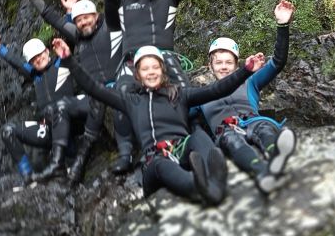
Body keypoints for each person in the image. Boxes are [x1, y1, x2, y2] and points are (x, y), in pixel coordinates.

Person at [56, 0, 222, 172]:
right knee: (121, 97)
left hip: (164, 58)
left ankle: (199, 143)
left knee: (186, 95)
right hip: (132, 61)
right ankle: (124, 154)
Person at [55, 38, 266, 206]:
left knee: (197, 137)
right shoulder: (131, 100)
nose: (151, 72)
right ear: (138, 74)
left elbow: (216, 89)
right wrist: (69, 60)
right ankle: (198, 185)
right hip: (155, 160)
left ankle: (215, 176)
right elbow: (95, 89)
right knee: (160, 164)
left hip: (181, 148)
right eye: (145, 68)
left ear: (162, 70)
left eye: (155, 67)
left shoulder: (179, 95)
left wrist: (245, 70)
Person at [23, 0, 123, 184]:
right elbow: (54, 19)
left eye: (87, 18)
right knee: (61, 106)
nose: (84, 22)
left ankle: (80, 162)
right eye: (79, 20)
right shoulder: (77, 39)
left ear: (96, 16)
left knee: (100, 97)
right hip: (93, 96)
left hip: (118, 89)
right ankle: (58, 164)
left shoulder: (111, 28)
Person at [196, 0, 297, 194]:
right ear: (210, 66)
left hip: (253, 121)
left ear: (236, 64)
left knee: (265, 128)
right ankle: (261, 172)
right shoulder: (200, 95)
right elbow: (178, 111)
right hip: (226, 131)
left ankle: (275, 157)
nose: (224, 67)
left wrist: (282, 25)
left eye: (228, 62)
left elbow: (277, 62)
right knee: (232, 140)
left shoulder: (249, 82)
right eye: (219, 63)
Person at [0, 30, 75, 183]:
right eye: (33, 59)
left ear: (47, 51)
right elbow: (16, 62)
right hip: (49, 130)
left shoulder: (62, 63)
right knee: (7, 131)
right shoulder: (35, 75)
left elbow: (71, 39)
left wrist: (70, 12)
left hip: (69, 126)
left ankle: (71, 163)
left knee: (58, 113)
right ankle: (28, 177)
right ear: (30, 63)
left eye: (40, 54)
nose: (38, 59)